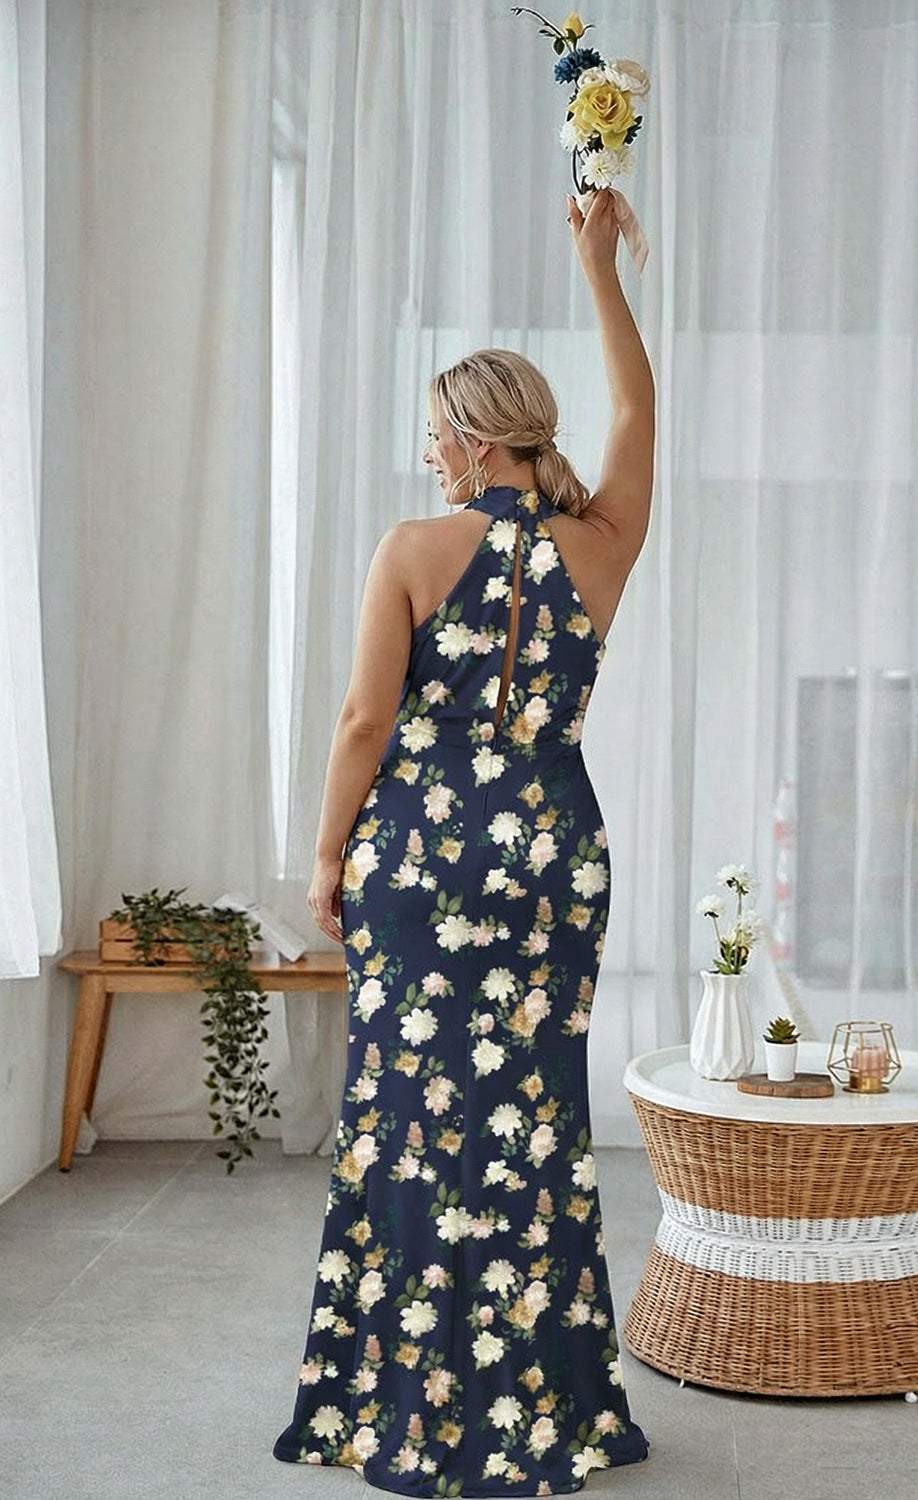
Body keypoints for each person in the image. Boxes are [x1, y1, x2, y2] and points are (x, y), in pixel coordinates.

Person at [273, 188, 655, 1495]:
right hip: (552, 852)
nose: (430, 455)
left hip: (418, 863)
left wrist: (326, 858)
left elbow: (363, 721)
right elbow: (639, 411)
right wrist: (598, 268)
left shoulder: (412, 548)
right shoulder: (603, 544)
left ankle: (407, 1394)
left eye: (436, 434)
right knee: (533, 1117)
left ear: (473, 438)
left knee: (407, 1117)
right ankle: (544, 1400)